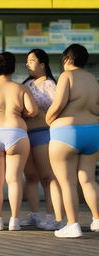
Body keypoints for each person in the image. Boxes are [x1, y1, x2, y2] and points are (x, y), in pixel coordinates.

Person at [0, 52, 38, 231]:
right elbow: (33, 110)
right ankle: (14, 220)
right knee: (15, 179)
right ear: (13, 69)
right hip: (16, 131)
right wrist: (21, 114)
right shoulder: (21, 88)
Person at [46, 44, 99, 238]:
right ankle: (97, 219)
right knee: (88, 179)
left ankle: (73, 224)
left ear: (67, 59)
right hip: (93, 131)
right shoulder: (93, 80)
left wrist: (48, 119)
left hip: (66, 132)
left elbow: (58, 104)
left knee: (67, 182)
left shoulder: (66, 76)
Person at [20, 49, 64, 230]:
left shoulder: (50, 84)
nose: (27, 64)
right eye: (27, 61)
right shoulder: (26, 84)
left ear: (42, 64)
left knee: (48, 177)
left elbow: (58, 109)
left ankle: (54, 217)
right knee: (31, 177)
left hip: (43, 134)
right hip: (25, 136)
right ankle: (35, 215)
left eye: (31, 61)